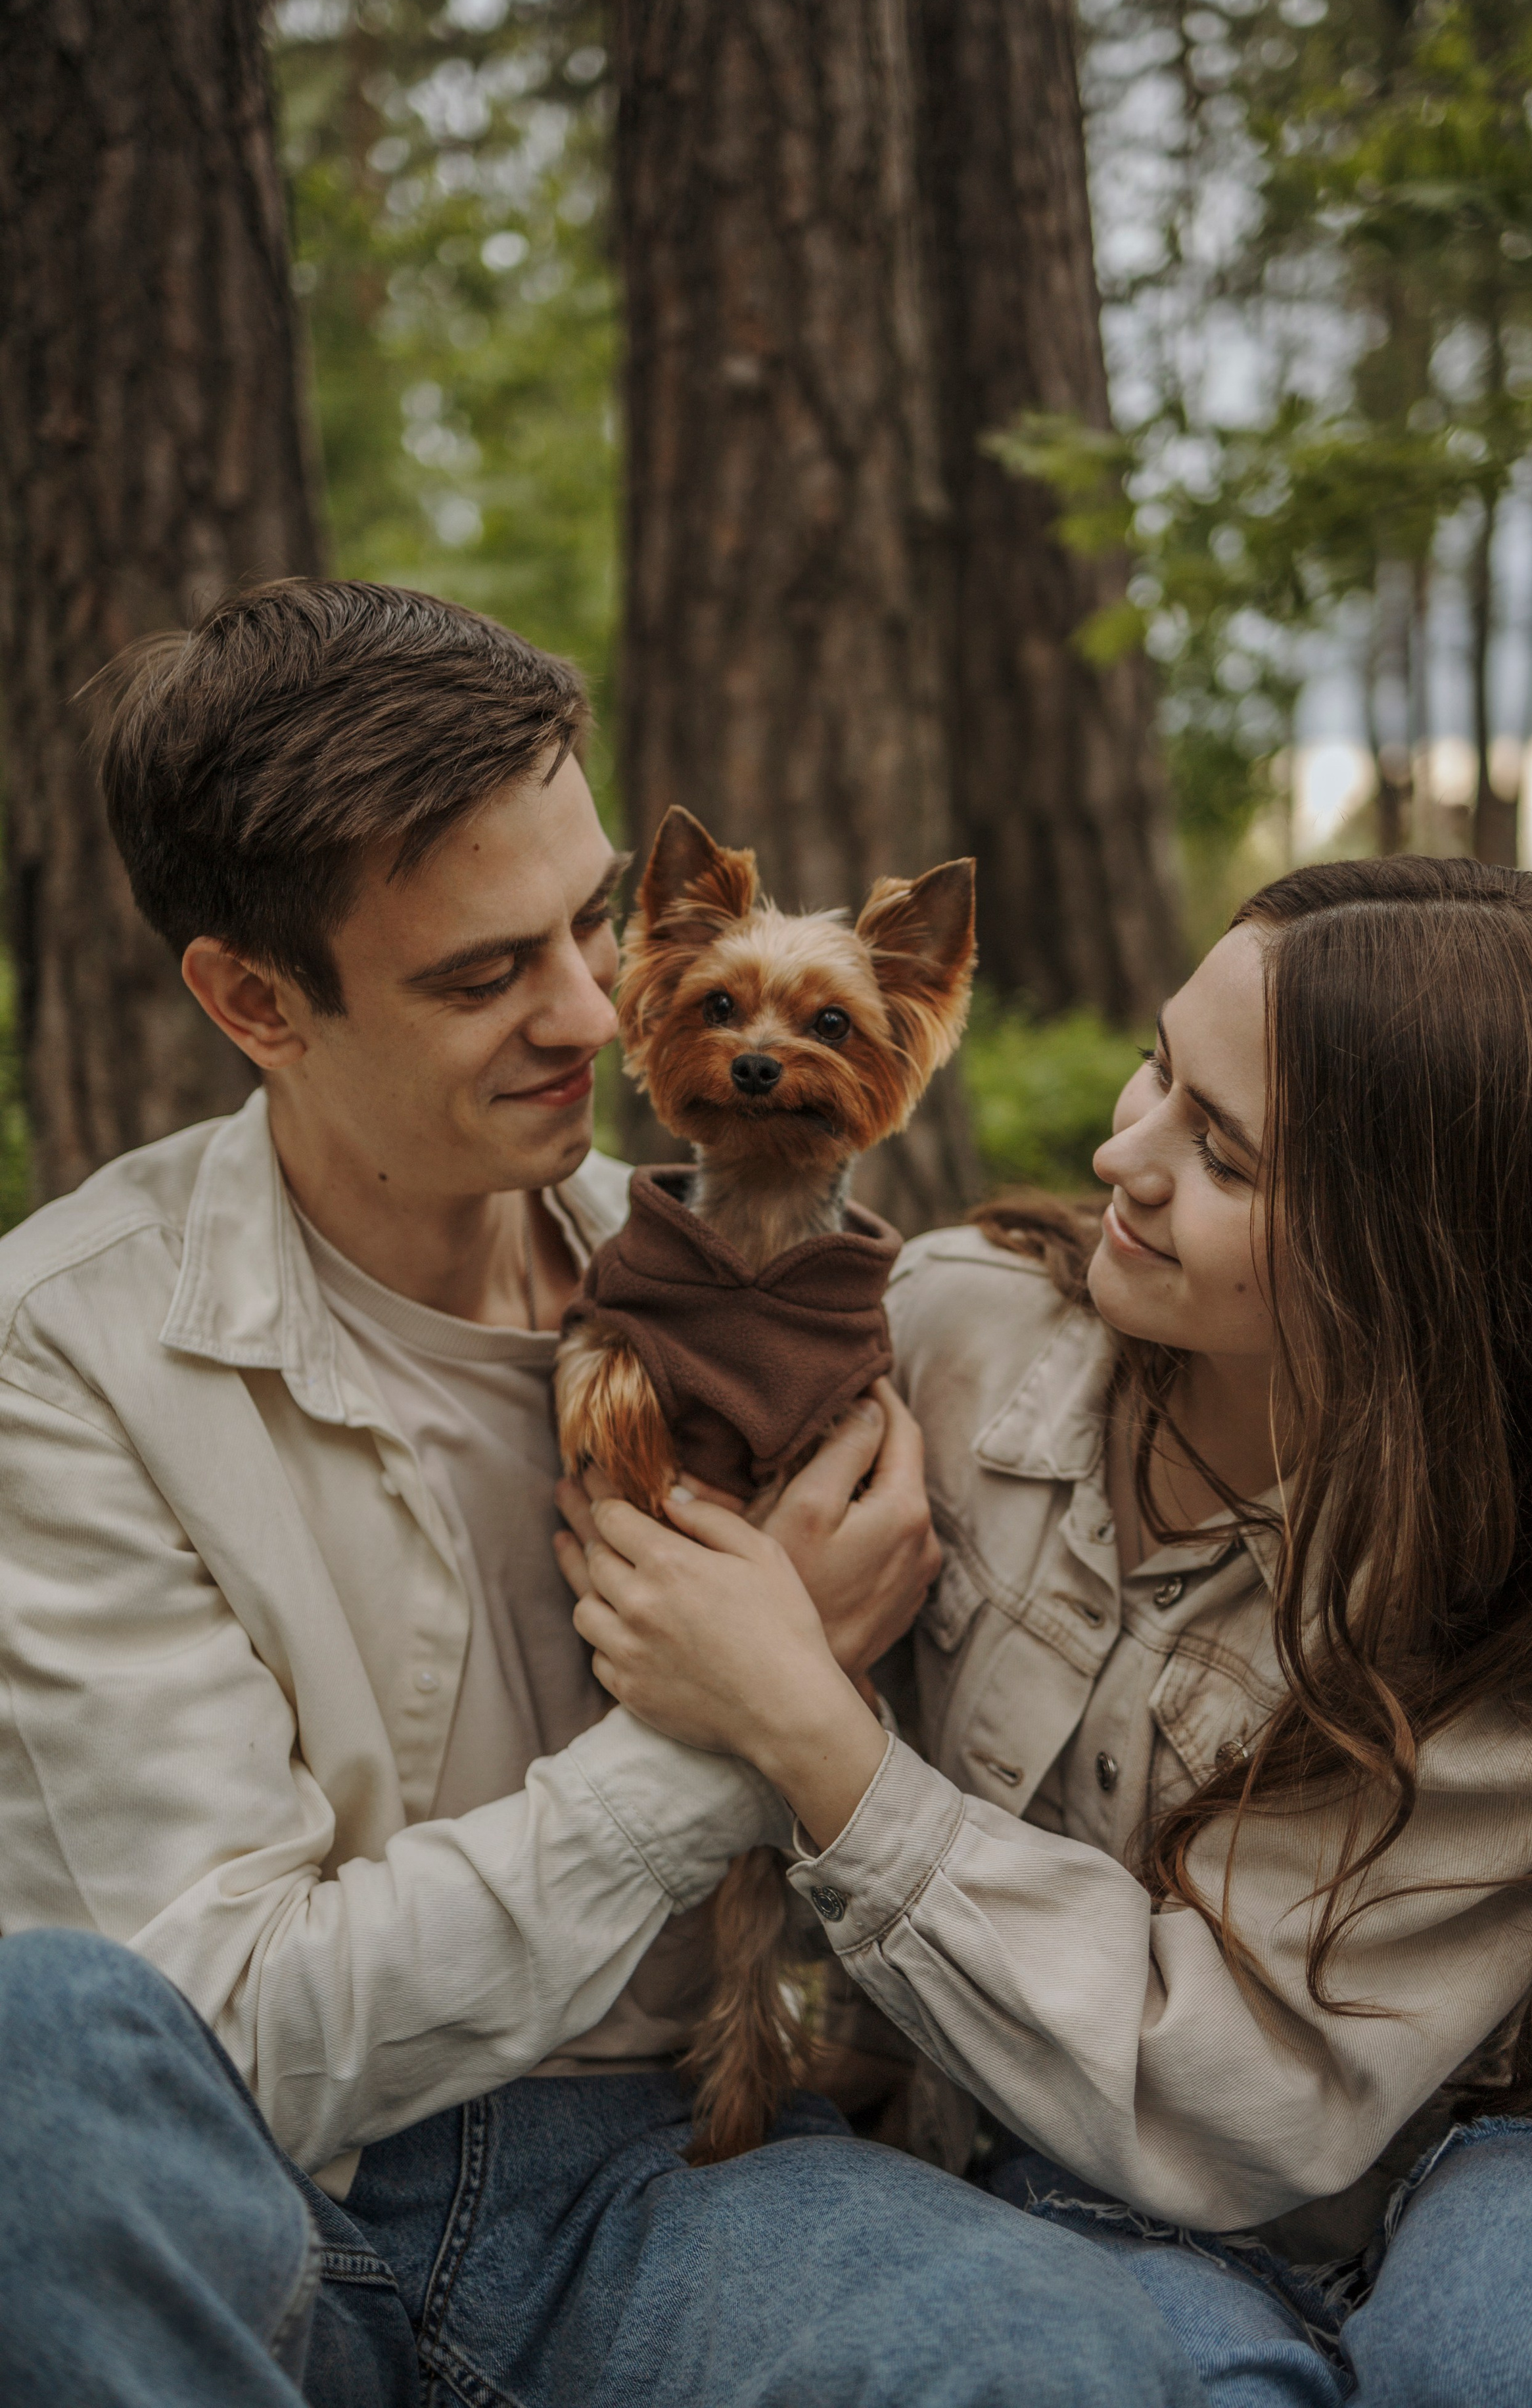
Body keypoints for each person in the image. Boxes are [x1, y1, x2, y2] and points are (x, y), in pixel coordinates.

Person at [0, 576, 1202, 2408]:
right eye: (486, 975)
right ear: (256, 999)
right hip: (261, 2193)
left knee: (1044, 2350)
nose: (588, 1013)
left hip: (668, 2160)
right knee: (45, 2040)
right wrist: (738, 1715)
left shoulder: (737, 1304)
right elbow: (226, 2036)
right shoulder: (70, 1351)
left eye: (589, 924)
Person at [564, 855, 1532, 2405]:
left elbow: (1231, 2101)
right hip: (1079, 2176)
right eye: (1158, 1069)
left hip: (1470, 2132)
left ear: (1423, 1255)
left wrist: (809, 1729)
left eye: (1222, 1156)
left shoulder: (1523, 1611)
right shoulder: (945, 1335)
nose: (1117, 1153)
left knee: (1506, 2362)